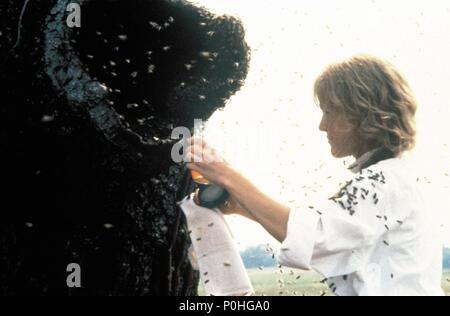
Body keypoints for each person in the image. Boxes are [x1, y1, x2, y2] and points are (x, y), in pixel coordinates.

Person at [185, 55, 444, 296]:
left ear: (361, 113)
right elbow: (328, 237)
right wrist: (244, 208)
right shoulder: (394, 178)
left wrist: (226, 174)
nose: (322, 125)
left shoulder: (383, 182)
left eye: (330, 111)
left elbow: (316, 238)